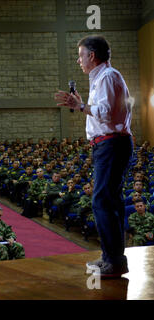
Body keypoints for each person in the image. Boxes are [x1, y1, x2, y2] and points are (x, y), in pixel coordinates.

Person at [55, 35, 133, 278]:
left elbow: (107, 114)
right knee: (110, 202)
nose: (78, 60)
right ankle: (112, 258)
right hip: (109, 145)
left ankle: (115, 260)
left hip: (111, 144)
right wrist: (81, 105)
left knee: (101, 202)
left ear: (92, 55)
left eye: (80, 55)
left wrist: (80, 107)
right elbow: (101, 112)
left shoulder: (108, 77)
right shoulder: (101, 78)